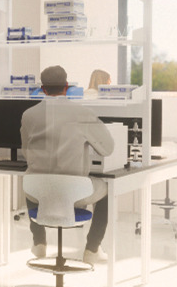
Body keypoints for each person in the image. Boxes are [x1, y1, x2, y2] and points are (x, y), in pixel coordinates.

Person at [19, 65, 116, 264]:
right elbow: (108, 149)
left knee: (31, 183)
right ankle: (92, 248)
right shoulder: (83, 113)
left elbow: (26, 151)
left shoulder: (28, 115)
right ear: (66, 86)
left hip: (39, 191)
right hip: (74, 193)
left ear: (43, 89)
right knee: (107, 189)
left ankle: (39, 242)